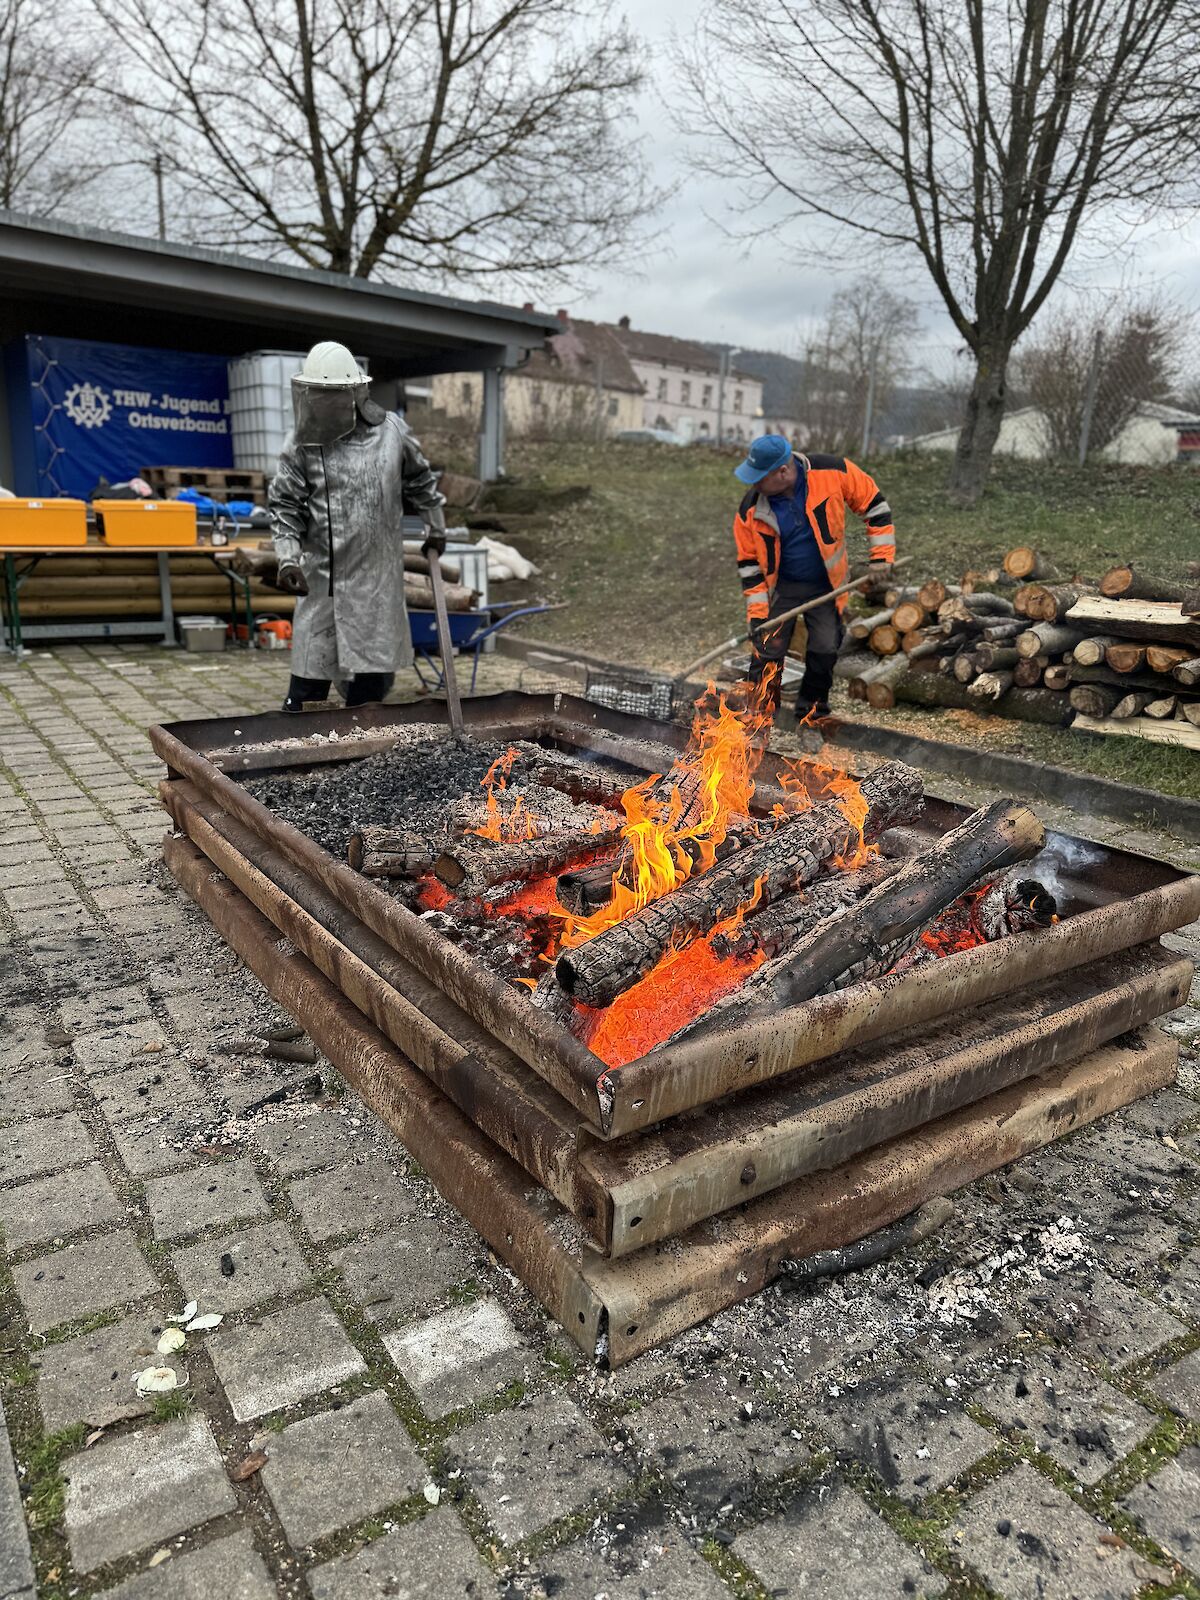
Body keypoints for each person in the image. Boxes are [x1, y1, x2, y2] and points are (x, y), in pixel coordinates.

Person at [270, 342, 447, 713]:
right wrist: (287, 559)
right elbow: (285, 505)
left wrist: (436, 526)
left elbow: (421, 481)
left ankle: (363, 759)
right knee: (305, 695)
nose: (321, 403)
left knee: (369, 701)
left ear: (353, 393)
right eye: (316, 394)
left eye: (329, 395)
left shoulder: (392, 434)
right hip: (323, 582)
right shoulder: (301, 444)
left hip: (377, 582)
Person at [732, 434, 895, 721]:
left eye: (759, 477)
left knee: (824, 649)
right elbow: (749, 566)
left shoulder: (833, 471)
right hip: (781, 590)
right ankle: (757, 722)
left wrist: (881, 558)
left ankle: (812, 717)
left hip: (827, 587)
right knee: (767, 650)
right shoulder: (750, 509)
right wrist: (757, 615)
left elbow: (875, 506)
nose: (754, 484)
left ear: (782, 471)